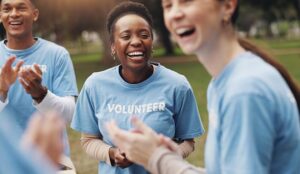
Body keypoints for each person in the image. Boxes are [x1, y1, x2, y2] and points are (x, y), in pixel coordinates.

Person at [106, 0, 300, 174]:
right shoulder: (222, 82)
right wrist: (169, 157)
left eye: (187, 2)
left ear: (227, 6)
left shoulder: (244, 90)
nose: (175, 13)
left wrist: (156, 159)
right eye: (168, 5)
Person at [71, 1, 204, 174]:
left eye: (144, 34)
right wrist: (112, 154)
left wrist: (162, 158)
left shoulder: (177, 85)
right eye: (126, 36)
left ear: (151, 42)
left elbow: (188, 142)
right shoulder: (94, 85)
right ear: (113, 46)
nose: (136, 41)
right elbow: (88, 140)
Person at [0, 0, 78, 156]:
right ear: (0, 16)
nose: (14, 14)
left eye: (21, 8)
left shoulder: (57, 55)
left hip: (51, 160)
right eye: (7, 9)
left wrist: (41, 94)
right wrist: (2, 91)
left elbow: (69, 114)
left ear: (34, 14)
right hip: (7, 161)